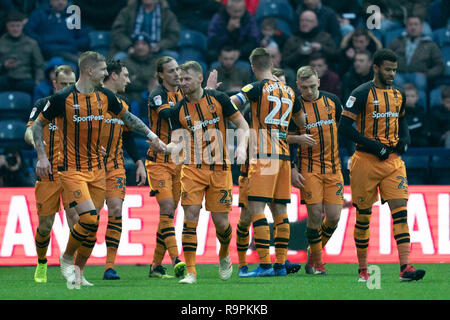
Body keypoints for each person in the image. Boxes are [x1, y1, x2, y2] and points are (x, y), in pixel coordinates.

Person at [30, 51, 166, 289]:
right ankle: (66, 258)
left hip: (98, 170)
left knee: (91, 229)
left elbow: (130, 119)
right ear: (90, 71)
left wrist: (153, 137)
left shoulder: (104, 97)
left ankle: (78, 272)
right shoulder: (63, 98)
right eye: (103, 70)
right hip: (71, 169)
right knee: (89, 218)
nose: (106, 74)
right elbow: (37, 126)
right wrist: (42, 157)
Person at [338, 48, 426, 282]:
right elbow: (344, 128)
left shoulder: (399, 94)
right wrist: (373, 145)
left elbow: (402, 120)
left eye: (395, 70)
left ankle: (405, 267)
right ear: (375, 67)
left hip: (393, 163)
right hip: (365, 162)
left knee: (400, 212)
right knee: (364, 217)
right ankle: (363, 269)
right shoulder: (360, 93)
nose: (392, 74)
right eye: (388, 69)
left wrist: (405, 140)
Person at [165, 60, 249, 284]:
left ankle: (223, 252)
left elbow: (242, 125)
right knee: (190, 216)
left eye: (186, 79)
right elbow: (177, 141)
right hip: (192, 169)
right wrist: (168, 147)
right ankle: (191, 271)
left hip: (220, 169)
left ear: (199, 79)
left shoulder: (219, 99)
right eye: (180, 80)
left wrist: (241, 147)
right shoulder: (177, 110)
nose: (182, 83)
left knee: (221, 223)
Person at [230, 47, 306, 277]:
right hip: (283, 156)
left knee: (256, 209)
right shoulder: (290, 91)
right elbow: (301, 121)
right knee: (281, 212)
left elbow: (231, 104)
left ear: (253, 67)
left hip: (262, 155)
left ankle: (264, 265)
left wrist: (244, 126)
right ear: (272, 65)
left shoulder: (255, 87)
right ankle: (280, 265)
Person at [24, 65, 79, 283]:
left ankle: (71, 265)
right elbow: (29, 131)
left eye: (71, 84)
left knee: (76, 220)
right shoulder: (42, 105)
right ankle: (41, 262)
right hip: (47, 173)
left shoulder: (79, 107)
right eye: (63, 84)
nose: (67, 88)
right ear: (54, 84)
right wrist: (39, 149)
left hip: (72, 172)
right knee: (45, 226)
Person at [288, 66, 344, 275]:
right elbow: (283, 138)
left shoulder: (333, 101)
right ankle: (317, 263)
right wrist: (293, 168)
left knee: (334, 218)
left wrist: (351, 155)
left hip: (334, 167)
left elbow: (345, 129)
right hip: (308, 168)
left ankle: (312, 256)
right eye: (304, 87)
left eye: (312, 86)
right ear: (298, 86)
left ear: (319, 82)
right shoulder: (295, 106)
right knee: (313, 216)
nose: (309, 91)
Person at [100, 59, 148, 280]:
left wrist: (138, 161)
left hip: (115, 166)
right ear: (113, 75)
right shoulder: (92, 100)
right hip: (89, 165)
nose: (129, 80)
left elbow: (127, 135)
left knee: (116, 211)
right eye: (125, 75)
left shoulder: (123, 104)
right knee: (88, 218)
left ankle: (109, 266)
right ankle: (74, 263)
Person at [145, 56, 186, 279]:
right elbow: (168, 116)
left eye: (178, 69)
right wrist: (191, 102)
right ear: (160, 74)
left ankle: (155, 266)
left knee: (168, 215)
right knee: (168, 209)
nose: (176, 74)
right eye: (171, 71)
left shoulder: (183, 94)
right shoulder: (157, 95)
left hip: (179, 162)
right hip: (158, 160)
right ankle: (176, 259)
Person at [388, 15, 444, 92]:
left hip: (419, 76)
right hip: (399, 74)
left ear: (421, 27)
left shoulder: (430, 45)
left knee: (420, 80)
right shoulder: (396, 42)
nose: (413, 27)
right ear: (406, 27)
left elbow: (439, 65)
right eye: (410, 24)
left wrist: (426, 74)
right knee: (395, 81)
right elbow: (384, 57)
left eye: (416, 24)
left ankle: (419, 104)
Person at [24, 0, 89, 64]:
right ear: (50, 1)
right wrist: (41, 43)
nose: (61, 2)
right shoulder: (39, 14)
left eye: (64, 0)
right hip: (46, 53)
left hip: (69, 51)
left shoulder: (73, 17)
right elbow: (29, 31)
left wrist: (74, 46)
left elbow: (83, 36)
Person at [110, 0, 180, 60]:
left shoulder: (167, 14)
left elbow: (173, 35)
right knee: (117, 59)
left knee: (172, 58)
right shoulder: (127, 11)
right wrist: (128, 46)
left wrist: (159, 46)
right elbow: (117, 32)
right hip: (131, 50)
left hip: (157, 51)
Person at [0, 10, 44, 95]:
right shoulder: (1, 42)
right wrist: (3, 65)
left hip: (24, 79)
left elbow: (39, 66)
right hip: (5, 78)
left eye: (18, 26)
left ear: (22, 26)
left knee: (37, 88)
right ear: (7, 26)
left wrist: (38, 80)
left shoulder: (32, 43)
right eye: (12, 26)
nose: (15, 29)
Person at [123, 33, 157, 102]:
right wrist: (147, 84)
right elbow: (126, 84)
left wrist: (137, 77)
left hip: (151, 98)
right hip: (131, 99)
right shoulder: (125, 63)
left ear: (149, 47)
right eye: (137, 44)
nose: (140, 47)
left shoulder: (156, 63)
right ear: (133, 47)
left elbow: (157, 83)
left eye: (144, 44)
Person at [402, 83, 430, 147]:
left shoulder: (422, 113)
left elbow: (425, 130)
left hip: (419, 142)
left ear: (417, 97)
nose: (409, 98)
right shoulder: (397, 113)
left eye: (412, 96)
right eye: (407, 96)